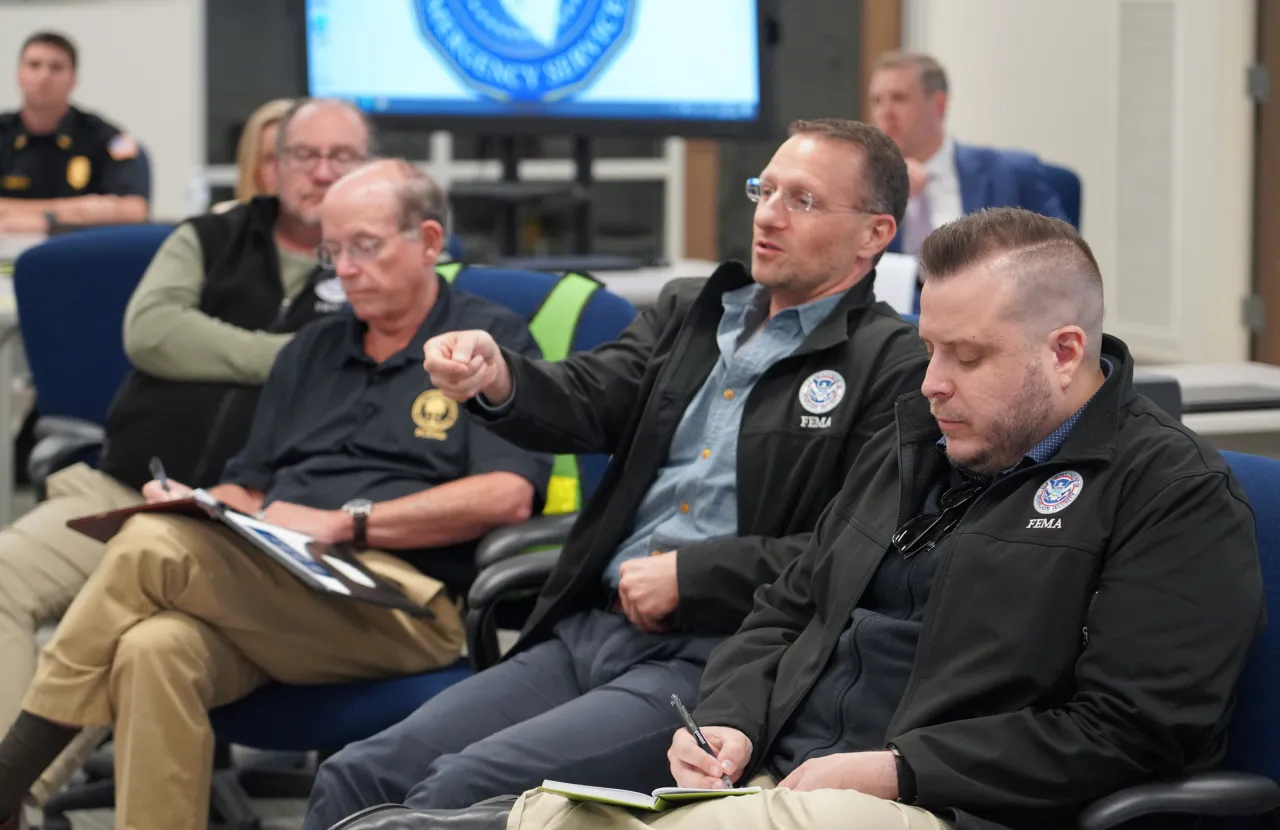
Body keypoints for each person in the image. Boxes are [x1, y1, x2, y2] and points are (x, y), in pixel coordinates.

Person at [441, 208, 1264, 830]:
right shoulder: (921, 442)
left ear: (1063, 351)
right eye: (930, 347)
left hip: (949, 806)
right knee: (534, 817)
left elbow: (1132, 733)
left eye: (967, 357)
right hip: (785, 783)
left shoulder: (1168, 491)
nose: (932, 381)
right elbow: (789, 607)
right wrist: (731, 717)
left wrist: (901, 770)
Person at [303, 117, 931, 828]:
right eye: (766, 190)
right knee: (358, 774)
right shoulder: (694, 310)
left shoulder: (894, 365)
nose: (770, 215)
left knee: (452, 791)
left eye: (804, 201)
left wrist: (694, 574)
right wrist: (498, 374)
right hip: (588, 630)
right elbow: (588, 395)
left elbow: (851, 556)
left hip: (712, 661)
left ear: (875, 234)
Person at [0, 158, 553, 830]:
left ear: (429, 241)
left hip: (402, 602)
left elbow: (506, 495)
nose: (344, 269)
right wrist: (197, 502)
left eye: (366, 247)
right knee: (156, 647)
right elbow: (249, 481)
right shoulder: (312, 350)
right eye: (333, 251)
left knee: (150, 546)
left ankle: (14, 779)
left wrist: (346, 523)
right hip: (282, 574)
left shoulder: (483, 343)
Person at [0, 97, 371, 809]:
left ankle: (17, 794)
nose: (319, 173)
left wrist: (219, 347)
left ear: (368, 170)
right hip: (124, 488)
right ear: (273, 163)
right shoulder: (210, 236)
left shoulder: (379, 259)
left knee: (135, 627)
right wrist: (285, 356)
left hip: (248, 528)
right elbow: (153, 332)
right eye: (302, 155)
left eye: (340, 158)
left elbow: (359, 373)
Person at [868, 51, 1069, 258]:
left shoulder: (1012, 173)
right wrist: (891, 196)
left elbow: (1065, 255)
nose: (885, 112)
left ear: (939, 105)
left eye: (899, 99)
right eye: (876, 101)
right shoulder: (869, 187)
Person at [0, 31, 148, 232]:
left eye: (56, 68)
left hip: (76, 255)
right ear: (19, 74)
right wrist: (78, 209)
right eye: (34, 65)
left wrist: (47, 222)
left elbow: (134, 211)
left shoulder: (102, 137)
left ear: (73, 79)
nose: (44, 76)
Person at [212, 97, 294, 213]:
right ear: (254, 167)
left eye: (296, 156)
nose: (281, 168)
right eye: (270, 159)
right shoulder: (226, 224)